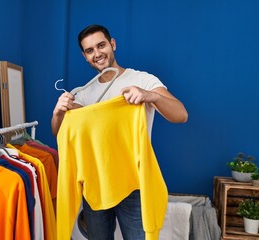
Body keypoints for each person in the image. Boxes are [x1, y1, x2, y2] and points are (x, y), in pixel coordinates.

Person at [51, 24, 188, 240]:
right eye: (89, 50)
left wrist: (148, 96)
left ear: (112, 44)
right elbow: (60, 134)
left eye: (101, 45)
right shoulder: (84, 95)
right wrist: (58, 112)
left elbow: (181, 114)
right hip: (94, 185)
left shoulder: (142, 80)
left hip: (133, 183)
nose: (97, 54)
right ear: (85, 56)